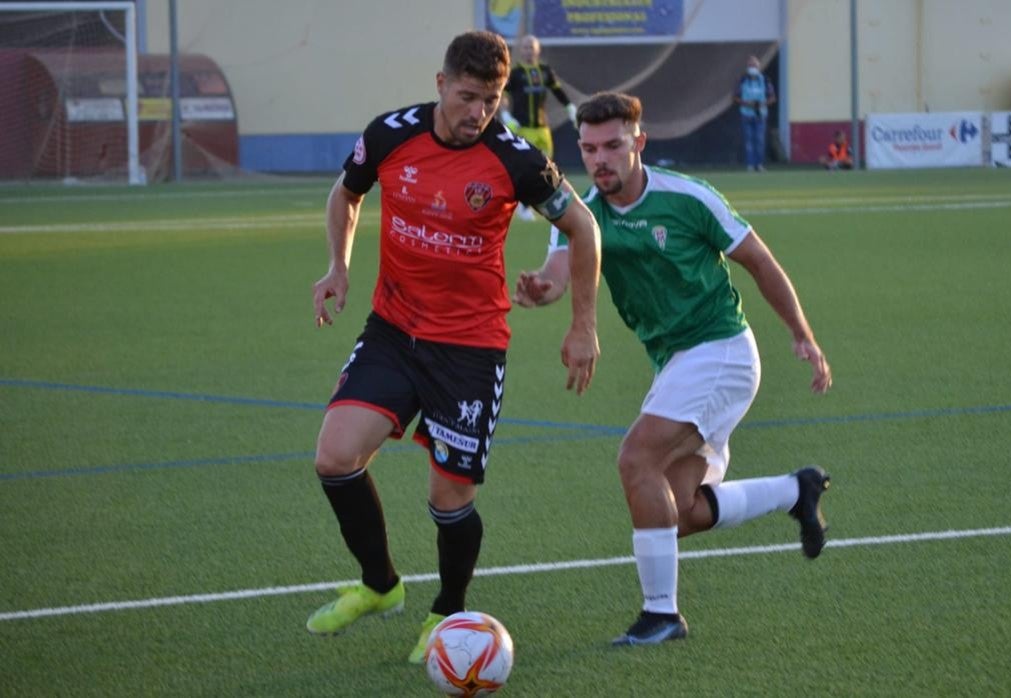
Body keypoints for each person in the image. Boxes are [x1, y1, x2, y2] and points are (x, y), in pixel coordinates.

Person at [305, 31, 602, 665]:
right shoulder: (391, 134)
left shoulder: (516, 159)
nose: (478, 113)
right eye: (468, 97)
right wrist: (339, 266)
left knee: (449, 496)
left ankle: (447, 611)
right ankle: (380, 585)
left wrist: (583, 325)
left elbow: (583, 227)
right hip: (393, 331)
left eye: (490, 100)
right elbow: (346, 193)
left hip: (468, 349)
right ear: (440, 85)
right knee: (334, 456)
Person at [513, 92, 833, 646]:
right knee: (677, 511)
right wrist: (542, 290)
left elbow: (759, 261)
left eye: (613, 145)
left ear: (639, 142)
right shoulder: (580, 213)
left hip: (721, 350)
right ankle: (795, 490)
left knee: (637, 458)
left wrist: (801, 334)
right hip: (675, 364)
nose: (599, 160)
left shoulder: (686, 198)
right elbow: (557, 272)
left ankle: (661, 614)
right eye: (588, 149)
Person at [501, 34, 577, 221]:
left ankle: (541, 203)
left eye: (531, 47)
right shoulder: (516, 73)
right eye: (525, 47)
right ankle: (523, 206)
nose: (528, 50)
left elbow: (557, 90)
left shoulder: (545, 71)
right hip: (523, 128)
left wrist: (570, 107)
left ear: (538, 50)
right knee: (526, 167)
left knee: (547, 168)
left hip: (543, 128)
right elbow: (501, 93)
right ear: (521, 51)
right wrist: (505, 115)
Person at [734, 56, 775, 172]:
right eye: (750, 66)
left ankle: (760, 165)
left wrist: (761, 104)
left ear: (759, 67)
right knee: (748, 140)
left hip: (760, 115)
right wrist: (747, 103)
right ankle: (750, 165)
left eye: (755, 65)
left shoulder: (765, 80)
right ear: (747, 67)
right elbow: (736, 97)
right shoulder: (743, 81)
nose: (753, 68)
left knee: (759, 140)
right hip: (746, 114)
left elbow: (772, 97)